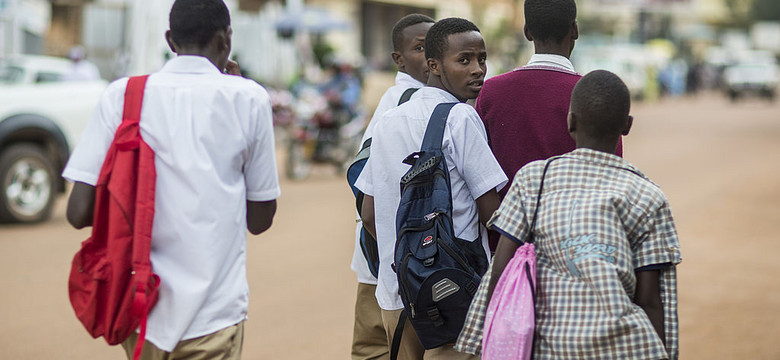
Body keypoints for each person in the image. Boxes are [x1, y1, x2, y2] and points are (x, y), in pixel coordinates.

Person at [62, 0, 279, 358]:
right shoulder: (249, 98)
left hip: (140, 311)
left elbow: (77, 213)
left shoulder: (122, 95)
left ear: (169, 39)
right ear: (226, 40)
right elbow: (260, 219)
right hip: (214, 316)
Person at [487, 70, 681, 359]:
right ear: (627, 126)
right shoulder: (648, 196)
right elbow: (651, 298)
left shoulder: (534, 179)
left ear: (570, 121)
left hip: (545, 346)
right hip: (621, 348)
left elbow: (501, 270)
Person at [356, 17, 507, 359]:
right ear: (434, 66)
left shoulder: (388, 121)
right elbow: (491, 213)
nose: (478, 69)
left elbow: (367, 213)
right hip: (452, 294)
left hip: (396, 293)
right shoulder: (462, 118)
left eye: (482, 59)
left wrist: (410, 261)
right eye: (464, 60)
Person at [349, 13, 434, 360]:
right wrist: (394, 256)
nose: (429, 56)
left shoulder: (397, 96)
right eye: (419, 49)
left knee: (371, 347)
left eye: (434, 47)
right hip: (397, 258)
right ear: (398, 59)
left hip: (384, 255)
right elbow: (370, 202)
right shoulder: (409, 102)